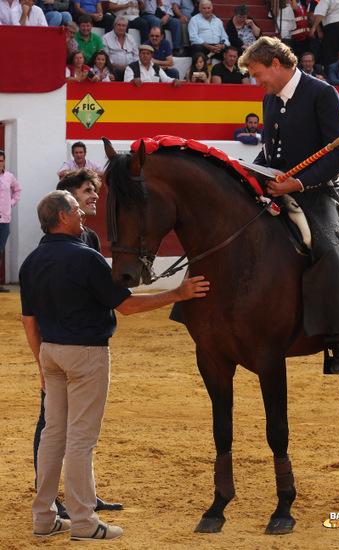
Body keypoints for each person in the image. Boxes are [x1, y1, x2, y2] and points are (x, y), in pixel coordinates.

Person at [20, 190, 209, 540]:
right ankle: (83, 522)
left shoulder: (30, 261)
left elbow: (28, 322)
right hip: (86, 354)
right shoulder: (87, 258)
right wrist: (177, 294)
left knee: (53, 436)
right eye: (76, 210)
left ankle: (44, 518)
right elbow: (126, 306)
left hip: (51, 354)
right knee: (79, 440)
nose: (83, 215)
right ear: (61, 217)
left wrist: (41, 365)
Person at [238, 36, 339, 375]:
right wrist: (254, 169)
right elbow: (271, 151)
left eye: (258, 72)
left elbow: (338, 153)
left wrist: (298, 182)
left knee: (328, 247)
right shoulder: (270, 98)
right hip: (279, 187)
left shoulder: (323, 94)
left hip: (317, 192)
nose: (257, 81)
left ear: (276, 64)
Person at [33, 170, 121, 519]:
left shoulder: (88, 239)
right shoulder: (76, 244)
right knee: (55, 428)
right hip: (69, 345)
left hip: (60, 345)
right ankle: (56, 502)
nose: (93, 198)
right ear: (66, 203)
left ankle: (81, 498)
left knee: (70, 429)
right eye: (86, 192)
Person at [310, 0, 339, 73]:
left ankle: (332, 76)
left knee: (330, 54)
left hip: (332, 26)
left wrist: (314, 27)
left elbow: (320, 13)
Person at [0, 149, 21, 294]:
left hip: (4, 220)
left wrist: (11, 202)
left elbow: (17, 190)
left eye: (1, 160)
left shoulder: (8, 177)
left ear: (4, 162)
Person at [102, 16, 139, 80]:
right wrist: (121, 67)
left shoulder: (130, 38)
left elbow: (136, 55)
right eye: (119, 25)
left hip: (130, 69)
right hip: (113, 70)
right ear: (114, 25)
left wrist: (132, 67)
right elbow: (106, 58)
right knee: (118, 71)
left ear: (126, 27)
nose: (121, 28)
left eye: (123, 26)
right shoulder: (106, 38)